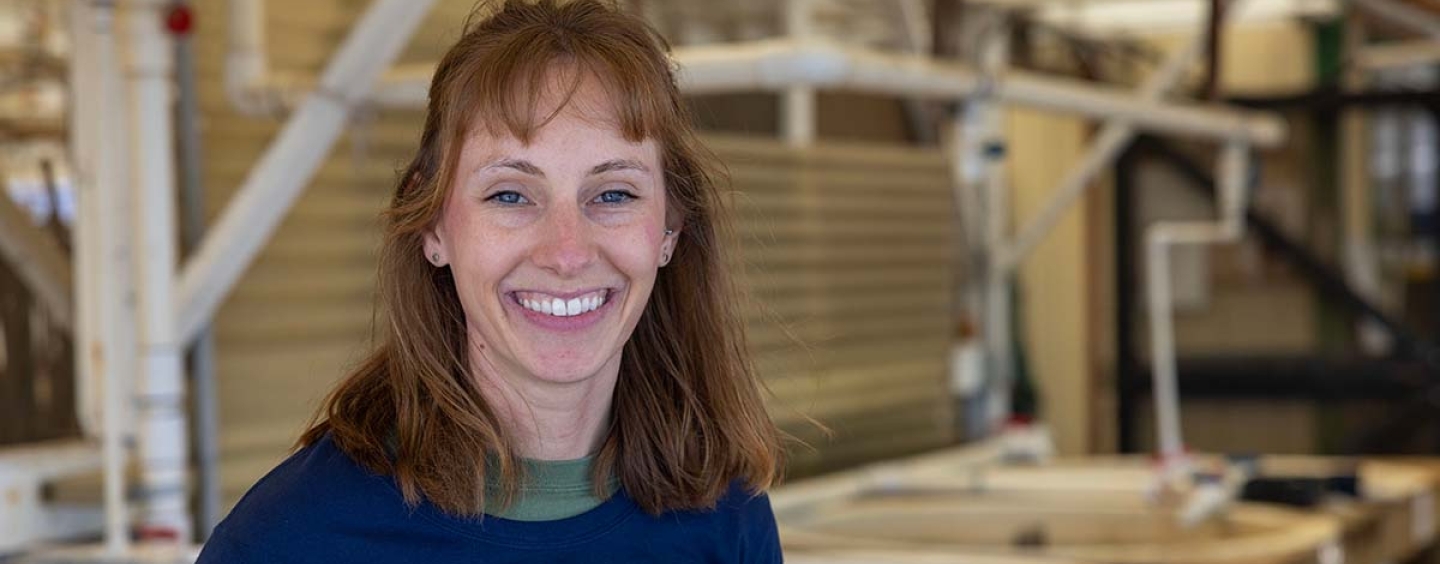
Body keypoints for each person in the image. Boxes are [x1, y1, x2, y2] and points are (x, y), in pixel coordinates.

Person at [196, 0, 785, 561]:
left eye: (613, 193)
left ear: (669, 232)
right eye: (509, 194)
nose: (567, 251)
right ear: (434, 228)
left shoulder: (725, 519)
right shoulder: (289, 541)